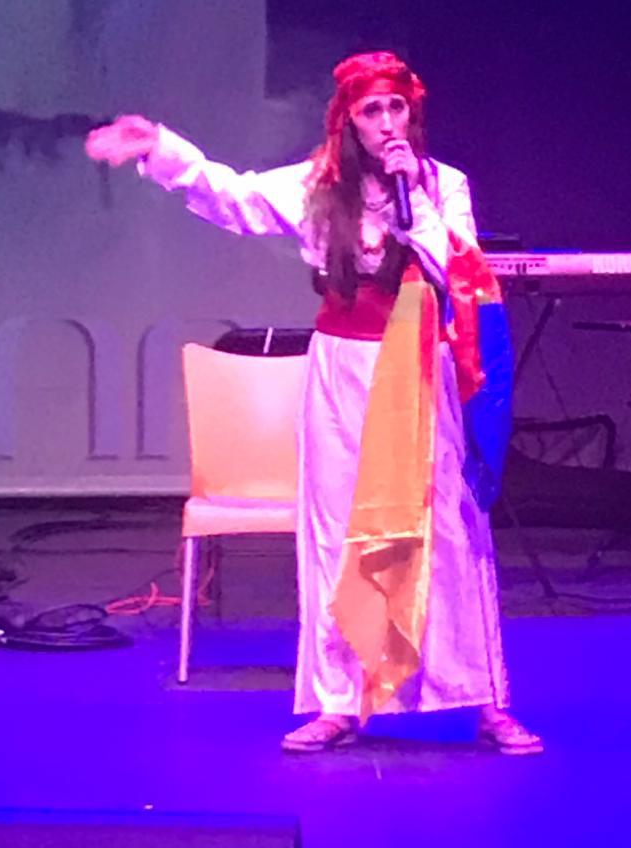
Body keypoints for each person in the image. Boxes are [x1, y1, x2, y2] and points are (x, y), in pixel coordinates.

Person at [86, 50, 543, 755]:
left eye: (396, 108)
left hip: (417, 364)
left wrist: (412, 194)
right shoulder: (317, 184)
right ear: (348, 119)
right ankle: (338, 702)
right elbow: (234, 198)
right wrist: (160, 149)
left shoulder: (441, 184)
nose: (386, 122)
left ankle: (486, 702)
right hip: (342, 368)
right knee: (338, 528)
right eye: (372, 110)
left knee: (447, 529)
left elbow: (456, 265)